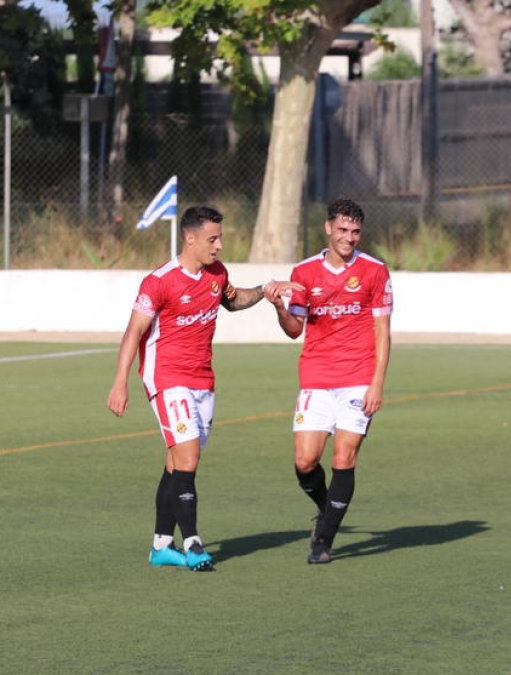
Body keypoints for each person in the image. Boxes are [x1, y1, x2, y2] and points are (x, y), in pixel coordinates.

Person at [107, 205, 299, 572]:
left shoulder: (216, 274)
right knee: (189, 460)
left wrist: (264, 291)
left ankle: (162, 545)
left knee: (176, 463)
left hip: (202, 380)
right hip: (166, 378)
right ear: (190, 238)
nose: (219, 245)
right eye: (212, 239)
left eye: (220, 238)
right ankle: (193, 543)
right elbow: (133, 332)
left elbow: (231, 299)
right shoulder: (159, 281)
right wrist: (120, 383)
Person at [269, 198, 393, 565]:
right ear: (328, 229)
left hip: (358, 378)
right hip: (316, 378)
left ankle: (323, 541)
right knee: (305, 461)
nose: (349, 238)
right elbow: (295, 330)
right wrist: (279, 306)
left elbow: (383, 333)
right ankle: (328, 510)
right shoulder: (305, 272)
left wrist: (377, 384)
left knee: (344, 455)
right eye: (342, 230)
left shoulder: (374, 271)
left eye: (355, 232)